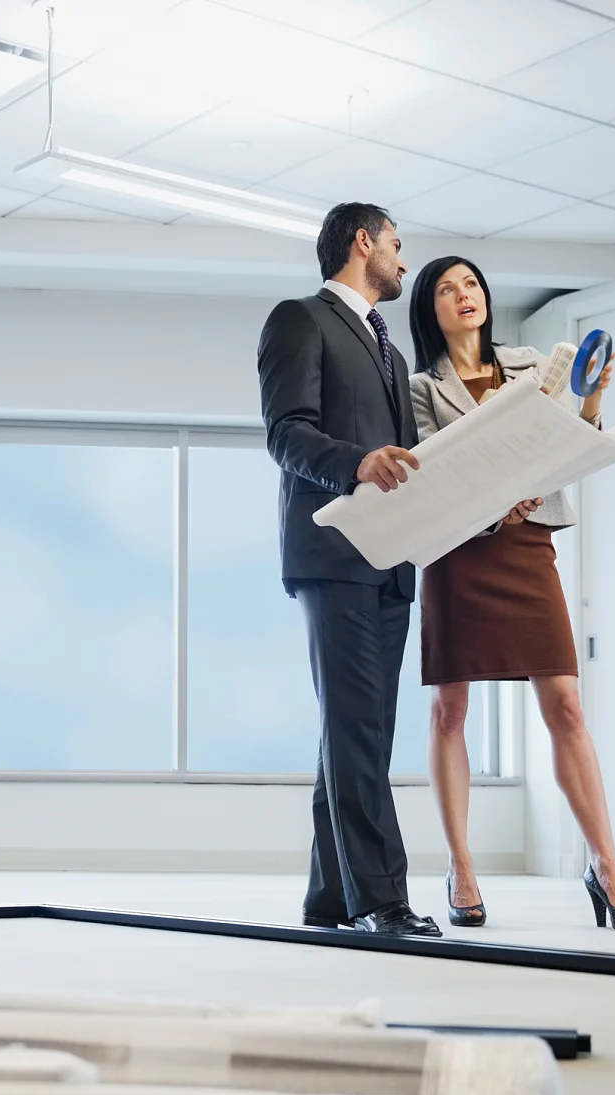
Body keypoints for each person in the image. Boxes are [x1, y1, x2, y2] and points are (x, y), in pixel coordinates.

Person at [406, 255, 615, 932]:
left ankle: (607, 868)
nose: (465, 297)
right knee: (449, 710)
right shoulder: (421, 386)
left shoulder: (527, 362)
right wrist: (494, 504)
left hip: (527, 546)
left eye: (473, 286)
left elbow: (571, 443)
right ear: (430, 307)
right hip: (459, 551)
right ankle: (461, 868)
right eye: (449, 290)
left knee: (567, 707)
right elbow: (434, 470)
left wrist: (593, 398)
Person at [257, 203, 439, 938]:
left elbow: (402, 460)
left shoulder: (393, 356)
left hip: (389, 562)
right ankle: (380, 900)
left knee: (359, 730)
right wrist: (355, 465)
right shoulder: (300, 319)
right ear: (363, 242)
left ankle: (331, 898)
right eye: (396, 244)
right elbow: (286, 433)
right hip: (334, 554)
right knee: (357, 727)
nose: (403, 259)